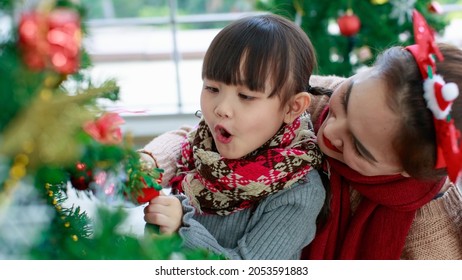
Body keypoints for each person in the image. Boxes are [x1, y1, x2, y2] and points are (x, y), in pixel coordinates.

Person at [141, 12, 462, 259]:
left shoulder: (431, 230)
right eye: (346, 100)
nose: (329, 130)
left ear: (404, 170)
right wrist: (154, 161)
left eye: (359, 147)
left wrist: (184, 229)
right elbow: (201, 133)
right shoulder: (311, 96)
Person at [141, 14, 326, 260]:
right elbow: (180, 142)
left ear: (292, 107)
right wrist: (146, 164)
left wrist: (181, 228)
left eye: (246, 96)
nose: (221, 108)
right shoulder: (205, 143)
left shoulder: (298, 190)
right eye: (212, 88)